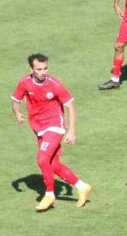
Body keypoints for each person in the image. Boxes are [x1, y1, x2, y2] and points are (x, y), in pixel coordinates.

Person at [11, 53, 92, 212]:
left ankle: (49, 195)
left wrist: (72, 131)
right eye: (39, 69)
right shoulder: (24, 83)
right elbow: (15, 101)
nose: (43, 72)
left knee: (42, 159)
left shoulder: (54, 84)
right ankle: (82, 186)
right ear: (31, 69)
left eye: (45, 68)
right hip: (39, 128)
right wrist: (17, 113)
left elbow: (70, 106)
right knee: (53, 164)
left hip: (55, 125)